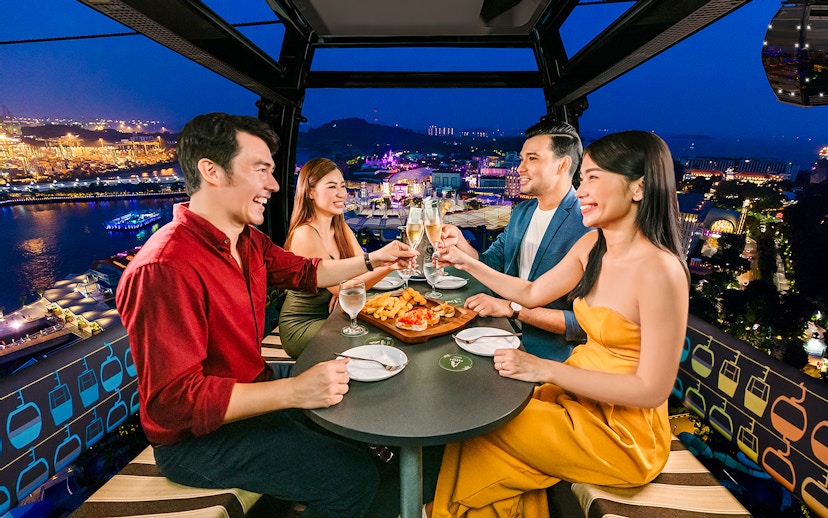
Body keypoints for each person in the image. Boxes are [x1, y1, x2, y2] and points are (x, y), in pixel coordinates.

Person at [115, 113, 416, 518]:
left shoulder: (248, 241)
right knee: (352, 478)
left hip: (253, 386)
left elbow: (307, 272)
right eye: (261, 170)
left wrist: (373, 258)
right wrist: (294, 391)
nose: (274, 185)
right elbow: (174, 404)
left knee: (367, 404)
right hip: (198, 441)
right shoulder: (165, 268)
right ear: (211, 171)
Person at [429, 130, 690, 517]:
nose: (581, 191)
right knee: (482, 416)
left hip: (621, 431)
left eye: (593, 178)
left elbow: (652, 391)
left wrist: (545, 369)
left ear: (638, 187)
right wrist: (466, 262)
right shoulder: (593, 246)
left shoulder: (661, 272)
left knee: (485, 426)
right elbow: (531, 292)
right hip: (575, 397)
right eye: (582, 179)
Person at [440, 120, 590, 361]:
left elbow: (583, 324)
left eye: (533, 159)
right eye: (521, 159)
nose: (520, 168)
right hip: (497, 332)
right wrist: (461, 242)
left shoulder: (588, 224)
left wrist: (513, 309)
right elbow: (491, 265)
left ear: (562, 165)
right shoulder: (522, 212)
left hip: (546, 353)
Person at [279, 158, 395, 358]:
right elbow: (345, 289)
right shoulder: (305, 234)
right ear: (310, 192)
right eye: (332, 187)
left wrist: (350, 285)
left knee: (387, 328)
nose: (342, 193)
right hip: (304, 324)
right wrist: (390, 265)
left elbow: (359, 274)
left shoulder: (340, 227)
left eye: (342, 186)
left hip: (336, 315)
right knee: (372, 337)